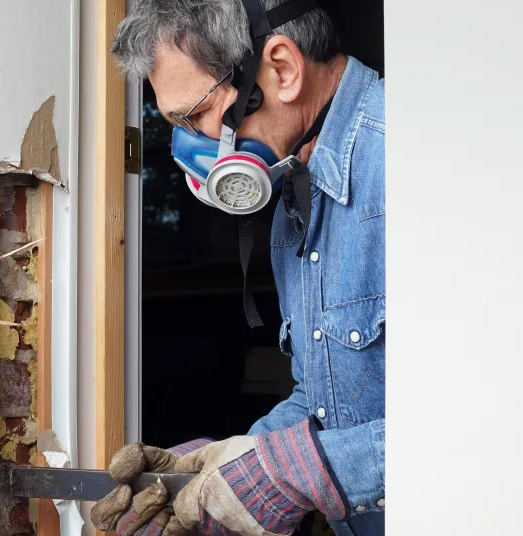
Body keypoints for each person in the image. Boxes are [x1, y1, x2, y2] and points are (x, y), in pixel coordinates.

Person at [91, 1, 385, 535]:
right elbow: (332, 403)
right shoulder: (297, 192)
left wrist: (298, 474)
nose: (190, 149)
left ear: (282, 70)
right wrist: (234, 464)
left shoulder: (422, 167)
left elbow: (501, 417)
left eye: (195, 116)